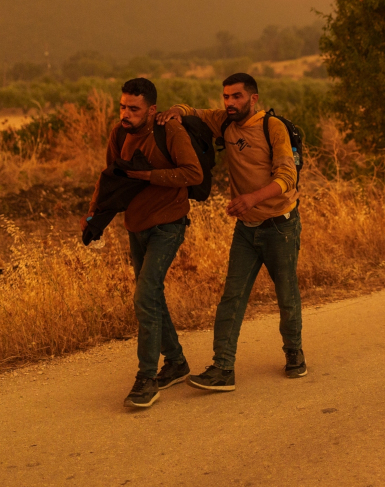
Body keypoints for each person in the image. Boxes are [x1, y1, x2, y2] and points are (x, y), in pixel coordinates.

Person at [157, 73, 304, 391]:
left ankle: (294, 354)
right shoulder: (224, 120)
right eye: (225, 97)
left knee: (287, 296)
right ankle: (223, 368)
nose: (229, 103)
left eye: (236, 97)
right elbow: (193, 112)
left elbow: (287, 176)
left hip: (280, 225)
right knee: (231, 298)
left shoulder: (272, 128)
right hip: (246, 230)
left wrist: (253, 197)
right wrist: (175, 110)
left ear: (253, 98)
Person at [86, 78, 203, 409]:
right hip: (135, 225)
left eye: (134, 109)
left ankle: (146, 379)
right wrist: (93, 215)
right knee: (151, 297)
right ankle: (177, 362)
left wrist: (147, 176)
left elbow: (193, 174)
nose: (126, 113)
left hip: (168, 224)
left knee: (145, 295)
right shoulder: (119, 133)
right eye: (123, 106)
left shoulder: (170, 133)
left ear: (151, 110)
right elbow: (109, 176)